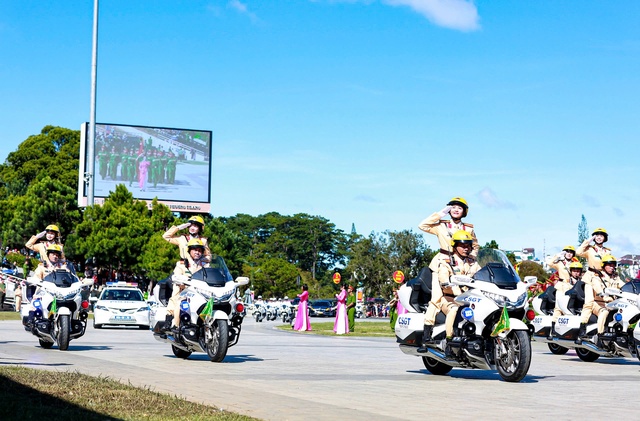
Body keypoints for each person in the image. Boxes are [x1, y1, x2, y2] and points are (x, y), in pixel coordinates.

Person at [418, 230, 480, 352]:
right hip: (450, 298)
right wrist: (446, 281)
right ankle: (449, 341)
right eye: (462, 246)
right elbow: (443, 276)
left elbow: (481, 272)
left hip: (469, 298)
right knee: (454, 309)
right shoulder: (446, 261)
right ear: (455, 246)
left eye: (468, 246)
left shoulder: (472, 263)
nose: (466, 249)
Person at [418, 197, 479, 272]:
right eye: (453, 207)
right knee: (436, 282)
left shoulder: (468, 229)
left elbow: (475, 246)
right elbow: (422, 226)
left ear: (464, 212)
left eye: (459, 208)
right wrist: (440, 214)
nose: (456, 210)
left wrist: (471, 257)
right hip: (443, 261)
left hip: (463, 262)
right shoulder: (441, 226)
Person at [164, 238, 211, 331]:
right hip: (185, 292)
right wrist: (180, 279)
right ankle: (174, 325)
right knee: (179, 302)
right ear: (189, 251)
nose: (197, 252)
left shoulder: (205, 264)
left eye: (199, 250)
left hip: (200, 292)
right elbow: (176, 276)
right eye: (195, 250)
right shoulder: (181, 264)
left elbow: (210, 276)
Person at [577, 254, 625, 344]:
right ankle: (600, 335)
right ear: (603, 266)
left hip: (614, 304)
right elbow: (598, 288)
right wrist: (605, 296)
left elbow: (623, 286)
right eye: (609, 265)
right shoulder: (597, 277)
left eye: (613, 265)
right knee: (604, 312)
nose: (612, 267)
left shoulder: (616, 277)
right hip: (599, 303)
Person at [545, 245, 578, 339]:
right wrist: (558, 256)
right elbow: (549, 263)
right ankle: (553, 329)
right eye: (567, 252)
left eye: (571, 252)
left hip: (571, 286)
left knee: (569, 307)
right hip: (561, 285)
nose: (569, 254)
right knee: (558, 307)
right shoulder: (560, 263)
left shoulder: (575, 263)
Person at [549, 261, 583, 340]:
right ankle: (553, 328)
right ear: (571, 272)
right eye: (574, 271)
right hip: (564, 296)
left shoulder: (582, 281)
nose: (576, 273)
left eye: (578, 271)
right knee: (558, 308)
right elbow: (566, 291)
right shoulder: (566, 281)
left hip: (576, 300)